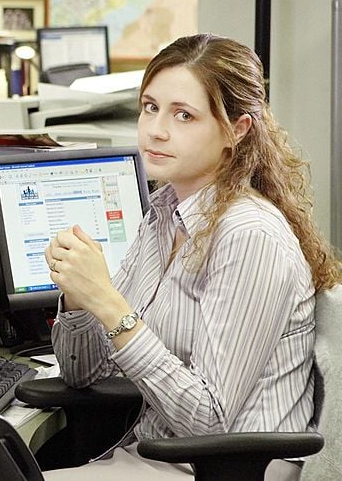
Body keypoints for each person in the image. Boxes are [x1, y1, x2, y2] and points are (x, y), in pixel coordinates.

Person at [44, 34, 341, 479]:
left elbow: (207, 421)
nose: (156, 129)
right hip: (156, 457)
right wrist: (78, 296)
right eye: (150, 107)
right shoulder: (163, 214)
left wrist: (109, 302)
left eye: (184, 115)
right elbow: (83, 374)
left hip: (215, 468)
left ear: (236, 131)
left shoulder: (249, 236)